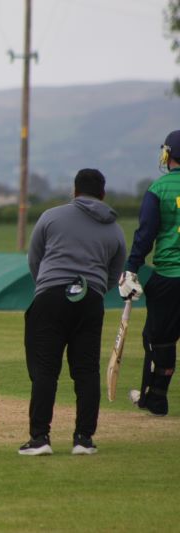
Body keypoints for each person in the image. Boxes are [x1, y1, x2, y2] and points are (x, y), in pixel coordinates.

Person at [19, 169, 126, 456]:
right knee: (87, 370)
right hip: (91, 299)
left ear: (74, 191)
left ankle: (40, 438)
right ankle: (83, 439)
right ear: (102, 194)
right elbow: (115, 272)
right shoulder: (115, 229)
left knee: (45, 370)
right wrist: (94, 291)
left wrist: (45, 286)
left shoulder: (51, 217)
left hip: (51, 296)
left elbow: (34, 258)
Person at [122, 130, 180, 417]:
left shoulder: (159, 188)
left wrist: (131, 267)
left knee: (159, 339)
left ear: (167, 154)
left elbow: (146, 234)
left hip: (170, 275)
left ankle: (155, 398)